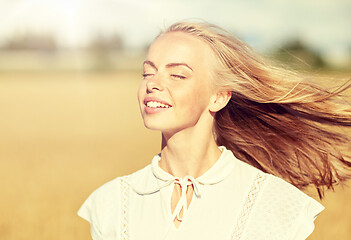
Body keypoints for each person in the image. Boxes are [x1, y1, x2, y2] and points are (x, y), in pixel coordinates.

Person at [78, 21, 351, 240]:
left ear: (219, 97)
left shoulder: (276, 204)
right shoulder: (111, 202)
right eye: (148, 73)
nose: (153, 84)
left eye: (178, 75)